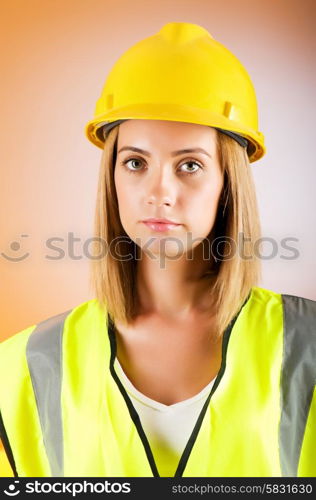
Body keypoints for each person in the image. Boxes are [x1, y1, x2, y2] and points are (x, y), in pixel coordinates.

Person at [0, 21, 315, 479]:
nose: (158, 191)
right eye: (135, 162)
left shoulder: (306, 346)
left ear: (229, 184)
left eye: (190, 165)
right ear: (112, 177)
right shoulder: (21, 367)